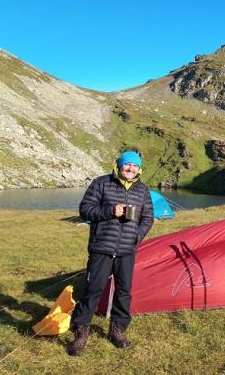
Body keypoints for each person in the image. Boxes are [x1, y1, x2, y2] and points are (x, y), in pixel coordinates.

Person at [67, 150, 154, 356]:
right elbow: (85, 209)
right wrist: (109, 211)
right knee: (93, 289)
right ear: (119, 165)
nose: (131, 169)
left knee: (124, 292)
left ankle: (118, 330)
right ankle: (81, 333)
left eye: (135, 166)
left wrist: (136, 235)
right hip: (101, 247)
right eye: (127, 165)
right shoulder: (102, 183)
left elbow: (148, 217)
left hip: (126, 250)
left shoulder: (142, 190)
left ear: (139, 169)